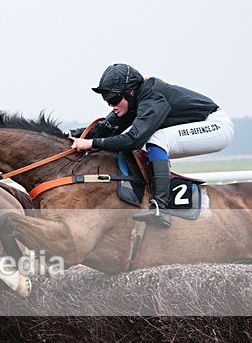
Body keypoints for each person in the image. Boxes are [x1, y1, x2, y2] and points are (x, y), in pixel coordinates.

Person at [69, 63, 235, 227]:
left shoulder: (152, 98)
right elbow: (104, 129)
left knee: (156, 139)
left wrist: (91, 143)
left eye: (113, 99)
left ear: (130, 91)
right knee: (141, 146)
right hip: (200, 126)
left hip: (216, 126)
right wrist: (71, 134)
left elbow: (133, 139)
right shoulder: (134, 100)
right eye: (106, 100)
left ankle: (160, 208)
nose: (111, 105)